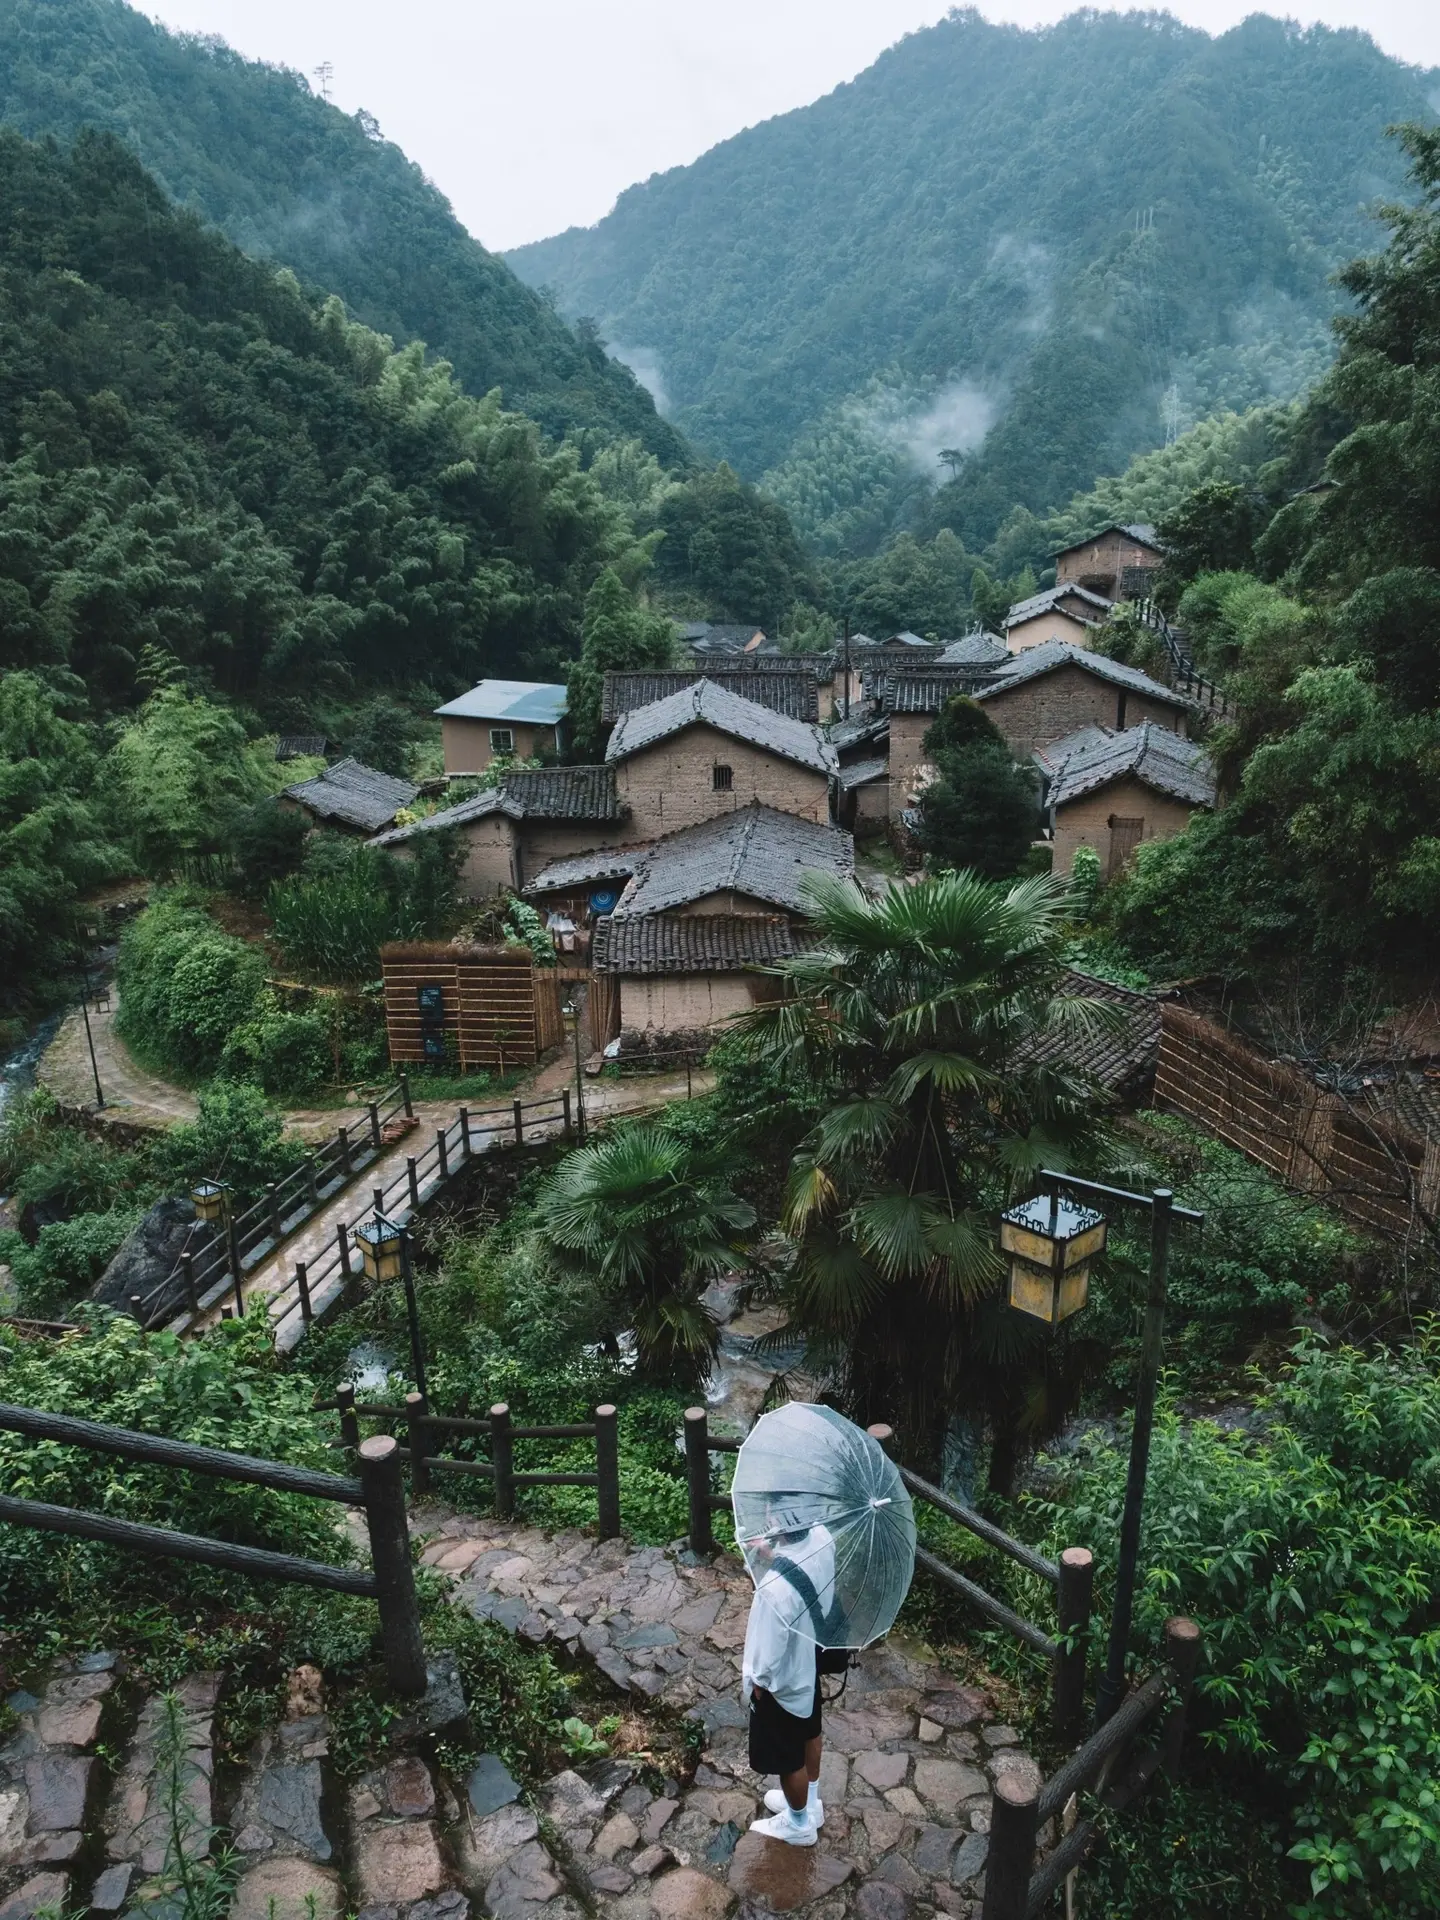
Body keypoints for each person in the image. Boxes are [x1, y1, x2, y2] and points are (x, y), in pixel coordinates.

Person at [741, 1510, 837, 1846]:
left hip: (782, 1681)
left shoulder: (773, 1588)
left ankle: (799, 1823)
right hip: (809, 1657)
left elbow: (765, 1656)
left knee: (786, 1756)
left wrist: (757, 1687)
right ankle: (811, 1802)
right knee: (811, 1729)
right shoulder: (823, 1537)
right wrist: (776, 1553)